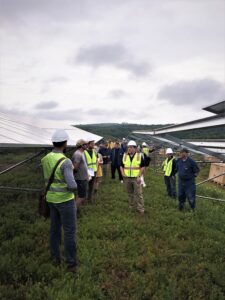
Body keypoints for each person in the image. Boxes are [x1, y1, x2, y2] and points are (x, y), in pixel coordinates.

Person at [41, 129, 77, 272]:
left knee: (54, 229)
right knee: (69, 231)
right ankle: (71, 263)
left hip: (50, 199)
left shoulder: (46, 158)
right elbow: (72, 185)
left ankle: (55, 258)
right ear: (65, 143)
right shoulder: (66, 161)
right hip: (65, 200)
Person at [120, 140, 145, 214]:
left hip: (136, 178)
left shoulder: (139, 156)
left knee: (138, 194)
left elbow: (142, 167)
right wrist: (122, 173)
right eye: (128, 147)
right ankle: (131, 206)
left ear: (135, 148)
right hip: (127, 178)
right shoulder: (125, 156)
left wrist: (139, 176)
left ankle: (141, 209)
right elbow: (121, 166)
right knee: (129, 193)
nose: (129, 149)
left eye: (131, 147)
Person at [72, 139, 89, 210]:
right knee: (81, 196)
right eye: (85, 144)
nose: (87, 146)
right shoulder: (78, 154)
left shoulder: (81, 153)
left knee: (80, 195)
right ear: (82, 145)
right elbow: (75, 168)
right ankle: (73, 212)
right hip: (80, 179)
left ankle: (76, 209)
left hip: (82, 178)